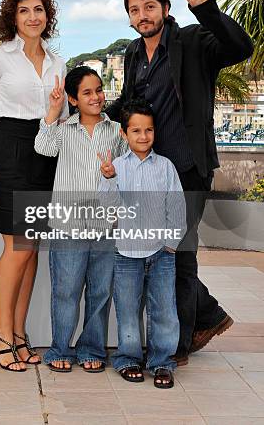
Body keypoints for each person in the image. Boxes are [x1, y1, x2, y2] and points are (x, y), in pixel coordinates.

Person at [106, 0, 254, 363]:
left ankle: (179, 345)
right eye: (134, 10)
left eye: (149, 7)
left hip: (187, 169)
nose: (142, 15)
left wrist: (205, 8)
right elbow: (127, 104)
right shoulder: (134, 53)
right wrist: (89, 111)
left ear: (166, 8)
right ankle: (207, 315)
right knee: (157, 250)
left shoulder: (193, 40)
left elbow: (241, 46)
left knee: (179, 254)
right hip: (150, 171)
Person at [0, 0, 67, 372]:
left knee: (32, 253)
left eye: (39, 9)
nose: (33, 16)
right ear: (13, 17)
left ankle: (20, 334)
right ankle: (1, 333)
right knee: (19, 247)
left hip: (46, 152)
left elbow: (60, 118)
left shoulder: (59, 62)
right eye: (25, 10)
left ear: (48, 16)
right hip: (8, 149)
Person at [34, 66, 126, 372]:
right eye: (87, 92)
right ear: (73, 99)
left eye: (98, 90)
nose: (96, 97)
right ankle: (59, 348)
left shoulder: (116, 132)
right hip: (68, 226)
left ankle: (92, 350)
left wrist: (114, 175)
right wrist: (52, 109)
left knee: (100, 292)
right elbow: (43, 147)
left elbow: (127, 173)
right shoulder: (63, 129)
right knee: (66, 290)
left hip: (105, 227)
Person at [99, 99, 186, 388]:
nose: (143, 136)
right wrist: (109, 179)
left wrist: (170, 244)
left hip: (161, 253)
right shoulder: (116, 168)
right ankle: (128, 359)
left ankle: (162, 362)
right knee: (127, 310)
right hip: (126, 252)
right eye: (136, 130)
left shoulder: (165, 167)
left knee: (163, 310)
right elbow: (109, 209)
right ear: (124, 134)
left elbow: (176, 207)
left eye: (148, 130)